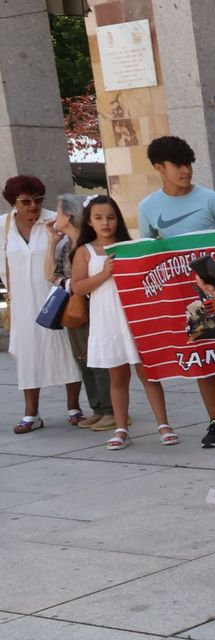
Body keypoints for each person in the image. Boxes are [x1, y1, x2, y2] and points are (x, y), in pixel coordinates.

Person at [138, 135, 215, 448]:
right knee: (201, 354)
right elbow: (147, 255)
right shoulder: (148, 208)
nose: (185, 170)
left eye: (188, 163)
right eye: (177, 164)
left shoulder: (211, 200)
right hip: (182, 296)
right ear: (159, 168)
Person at [72, 195, 174, 449]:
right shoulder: (84, 252)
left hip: (135, 317)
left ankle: (164, 424)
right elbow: (78, 287)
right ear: (89, 221)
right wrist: (105, 273)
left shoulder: (130, 246)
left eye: (110, 217)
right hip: (106, 319)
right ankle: (120, 428)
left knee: (148, 373)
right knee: (117, 377)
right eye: (99, 218)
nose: (106, 223)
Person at [3, 175, 81, 432]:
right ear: (13, 202)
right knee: (28, 355)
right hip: (23, 300)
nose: (33, 207)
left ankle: (74, 407)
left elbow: (73, 251)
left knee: (66, 351)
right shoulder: (3, 226)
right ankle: (31, 414)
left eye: (37, 200)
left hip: (55, 296)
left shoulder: (54, 220)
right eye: (25, 202)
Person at [48, 192, 114, 428]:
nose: (55, 216)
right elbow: (50, 275)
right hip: (73, 306)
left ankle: (111, 409)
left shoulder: (88, 246)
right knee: (83, 359)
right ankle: (97, 407)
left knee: (99, 357)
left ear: (68, 215)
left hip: (93, 304)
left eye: (57, 211)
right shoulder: (65, 245)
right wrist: (51, 241)